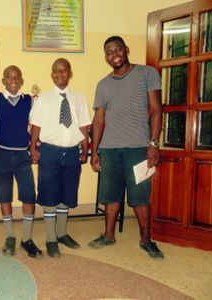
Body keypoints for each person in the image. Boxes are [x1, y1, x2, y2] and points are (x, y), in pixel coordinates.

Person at [88, 36, 164, 259]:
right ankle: (108, 236)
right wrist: (95, 151)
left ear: (126, 49)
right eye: (109, 52)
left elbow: (157, 109)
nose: (114, 55)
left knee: (140, 197)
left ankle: (146, 240)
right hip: (110, 150)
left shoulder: (146, 73)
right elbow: (99, 120)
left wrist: (154, 144)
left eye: (117, 49)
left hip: (138, 148)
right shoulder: (103, 84)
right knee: (110, 196)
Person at [30, 58, 91, 257]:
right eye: (55, 71)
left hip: (72, 152)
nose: (59, 74)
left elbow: (83, 125)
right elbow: (36, 126)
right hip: (49, 152)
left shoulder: (79, 98)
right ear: (51, 75)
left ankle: (62, 232)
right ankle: (50, 237)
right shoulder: (43, 100)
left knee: (67, 193)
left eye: (63, 71)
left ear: (70, 73)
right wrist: (33, 148)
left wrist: (85, 147)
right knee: (49, 194)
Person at [0, 65, 42, 258]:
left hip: (23, 156)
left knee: (28, 195)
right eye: (10, 77)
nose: (14, 80)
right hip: (1, 155)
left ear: (22, 80)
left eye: (17, 77)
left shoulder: (30, 101)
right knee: (4, 196)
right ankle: (9, 236)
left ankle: (26, 238)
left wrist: (35, 148)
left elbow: (36, 127)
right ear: (4, 81)